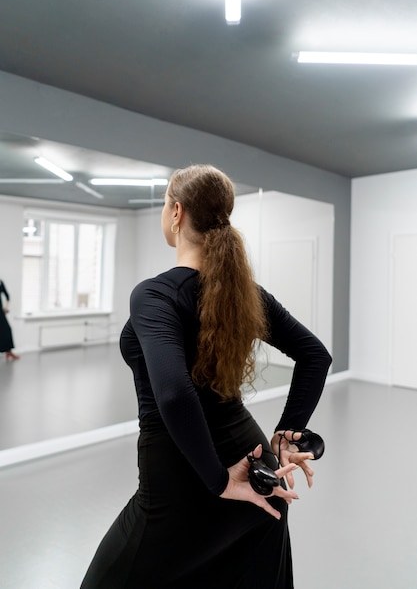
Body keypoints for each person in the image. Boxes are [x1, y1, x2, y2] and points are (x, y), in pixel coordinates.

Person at [80, 164, 332, 589]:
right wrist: (285, 435)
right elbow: (315, 355)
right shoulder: (243, 291)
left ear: (176, 213)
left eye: (164, 204)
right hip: (253, 468)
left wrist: (218, 481)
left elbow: (176, 395)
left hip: (182, 484)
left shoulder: (155, 294)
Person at [0, 279, 19, 361]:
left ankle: (9, 352)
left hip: (0, 312)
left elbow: (7, 296)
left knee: (7, 329)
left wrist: (6, 307)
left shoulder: (1, 282)